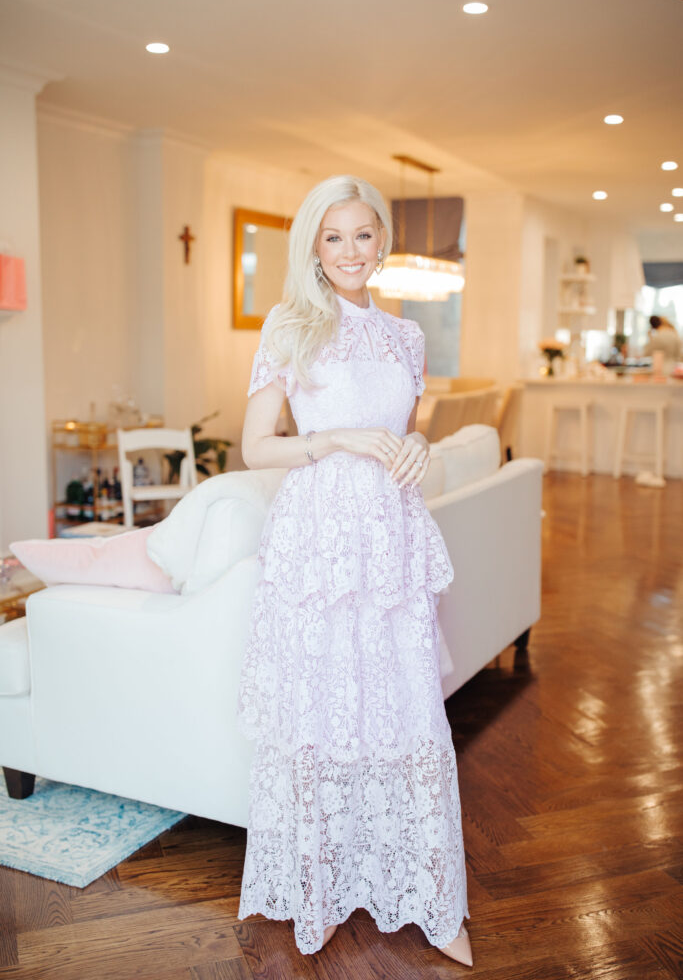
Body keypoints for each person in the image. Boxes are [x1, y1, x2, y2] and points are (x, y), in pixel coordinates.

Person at [237, 175, 472, 965]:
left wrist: (420, 443)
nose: (348, 251)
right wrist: (333, 439)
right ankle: (321, 887)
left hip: (391, 535)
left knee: (403, 704)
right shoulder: (289, 325)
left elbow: (405, 431)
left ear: (382, 241)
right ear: (314, 245)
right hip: (317, 538)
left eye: (362, 235)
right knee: (323, 706)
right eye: (332, 237)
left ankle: (430, 899)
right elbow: (254, 446)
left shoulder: (407, 336)